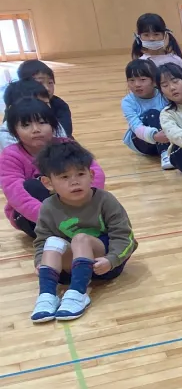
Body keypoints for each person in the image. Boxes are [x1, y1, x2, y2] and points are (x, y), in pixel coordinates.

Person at [30, 139, 136, 322]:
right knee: (52, 242)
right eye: (64, 177)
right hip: (70, 268)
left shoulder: (105, 200)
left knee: (80, 238)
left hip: (104, 264)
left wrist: (111, 260)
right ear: (48, 183)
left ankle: (79, 293)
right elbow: (41, 241)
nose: (74, 182)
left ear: (91, 175)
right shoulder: (48, 206)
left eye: (80, 174)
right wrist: (40, 262)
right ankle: (47, 295)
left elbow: (125, 237)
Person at [2, 98, 105, 238]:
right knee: (32, 186)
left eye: (42, 122)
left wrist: (85, 206)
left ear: (53, 124)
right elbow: (17, 195)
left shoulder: (66, 145)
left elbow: (95, 173)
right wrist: (55, 219)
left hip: (74, 208)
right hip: (34, 217)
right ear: (15, 131)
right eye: (26, 125)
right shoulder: (10, 156)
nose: (36, 129)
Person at [121, 60, 170, 163]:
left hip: (167, 136)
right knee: (152, 114)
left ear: (154, 81)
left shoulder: (164, 95)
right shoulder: (128, 102)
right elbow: (136, 126)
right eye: (131, 80)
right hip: (142, 142)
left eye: (142, 80)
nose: (137, 85)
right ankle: (165, 154)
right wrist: (154, 136)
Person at [1, 80, 67, 147]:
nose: (41, 108)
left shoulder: (52, 121)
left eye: (46, 103)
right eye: (25, 125)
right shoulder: (6, 134)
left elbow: (65, 147)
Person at [16, 60, 72, 136]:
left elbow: (65, 131)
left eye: (50, 83)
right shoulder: (16, 107)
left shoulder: (60, 105)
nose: (47, 88)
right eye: (40, 83)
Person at [131, 13, 182, 83]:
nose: (151, 38)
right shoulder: (140, 63)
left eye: (156, 34)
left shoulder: (176, 60)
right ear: (139, 37)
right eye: (146, 35)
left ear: (165, 35)